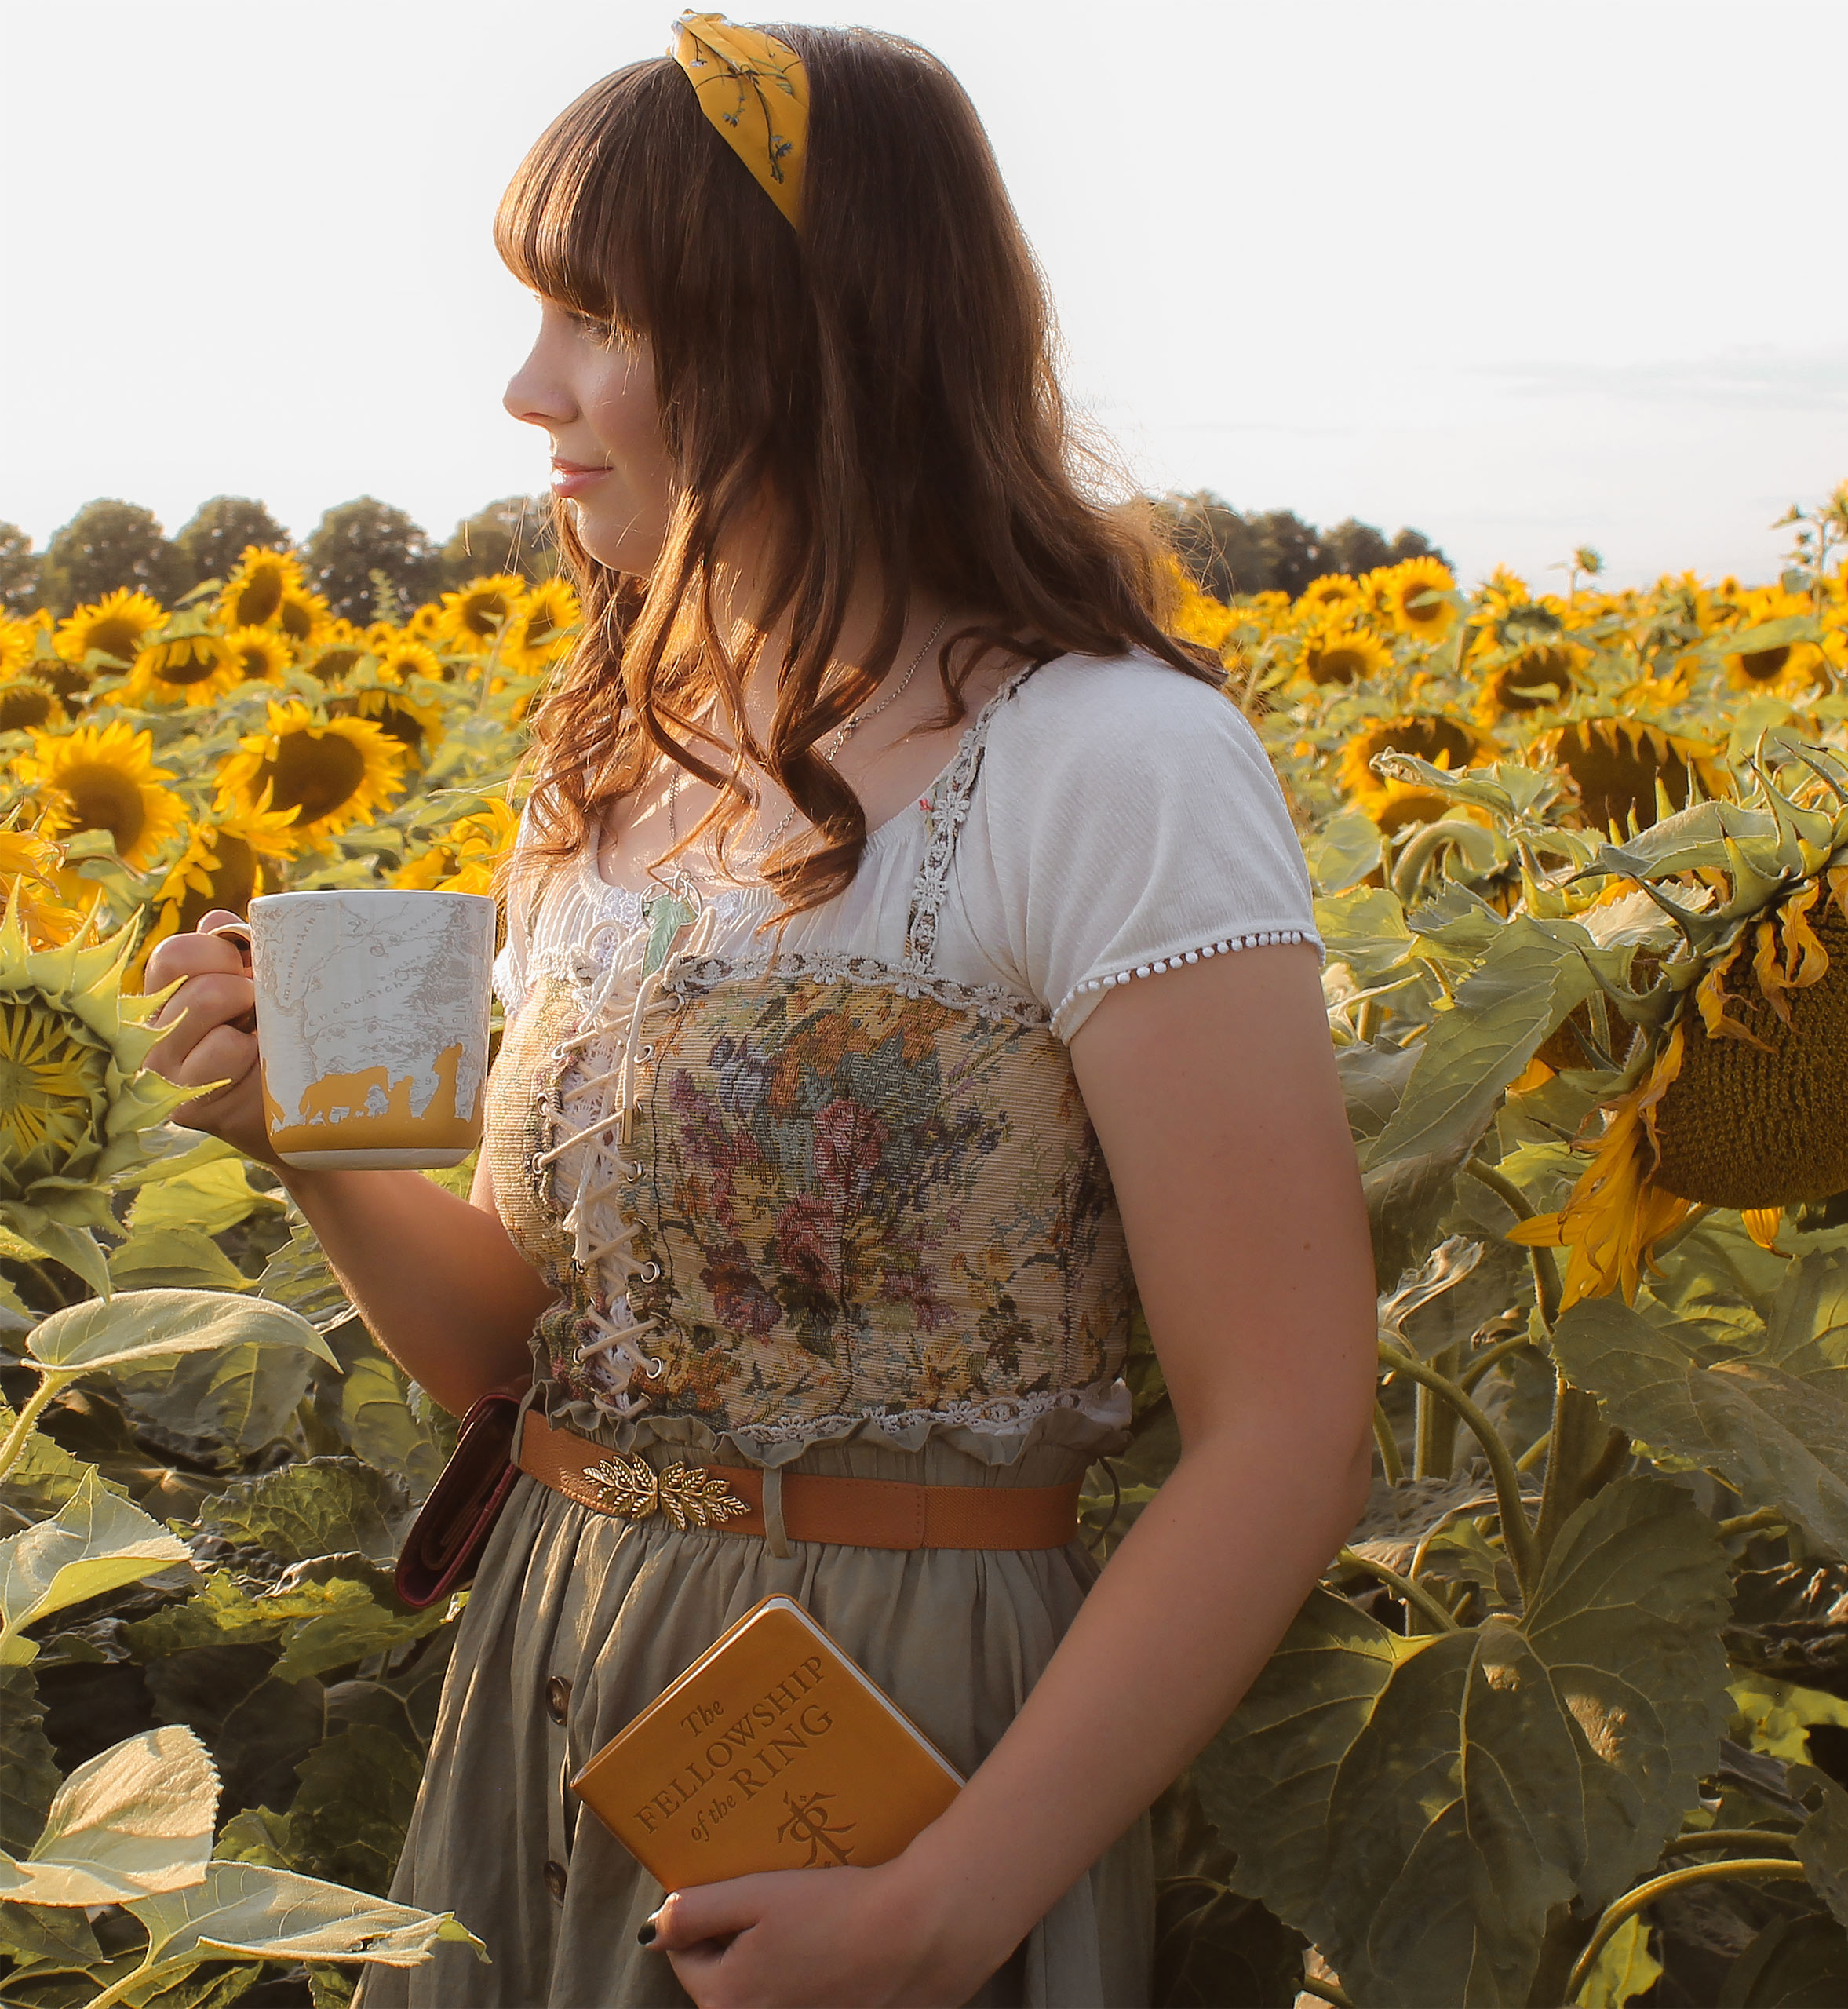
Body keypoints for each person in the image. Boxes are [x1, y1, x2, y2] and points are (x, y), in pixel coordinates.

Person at [143, 15, 1378, 2006]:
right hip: (551, 1666)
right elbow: (534, 1360)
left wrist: (954, 1896)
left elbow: (1292, 1425)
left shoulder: (1110, 763)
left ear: (809, 337)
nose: (527, 384)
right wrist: (311, 1148)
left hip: (906, 1731)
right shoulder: (603, 772)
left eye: (597, 317)